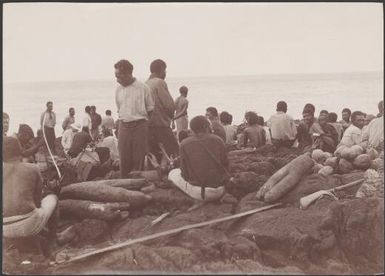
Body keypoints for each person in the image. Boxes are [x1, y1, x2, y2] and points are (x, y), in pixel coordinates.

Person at [3, 136, 59, 244]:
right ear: (19, 150)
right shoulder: (33, 168)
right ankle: (53, 239)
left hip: (4, 229)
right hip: (29, 225)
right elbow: (37, 202)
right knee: (53, 198)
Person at [168, 116, 227, 202]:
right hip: (221, 190)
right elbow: (225, 165)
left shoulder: (184, 143)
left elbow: (185, 174)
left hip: (200, 193)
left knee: (173, 173)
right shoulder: (218, 140)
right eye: (209, 126)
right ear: (205, 127)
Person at [115, 59, 154, 178]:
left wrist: (144, 126)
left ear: (128, 73)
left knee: (139, 158)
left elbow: (150, 109)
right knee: (124, 158)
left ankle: (137, 184)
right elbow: (119, 108)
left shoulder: (143, 87)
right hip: (123, 125)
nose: (117, 79)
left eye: (119, 76)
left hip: (140, 125)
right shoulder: (118, 89)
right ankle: (124, 183)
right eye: (115, 76)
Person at [145, 59, 179, 162]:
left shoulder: (145, 84)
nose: (165, 73)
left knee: (154, 157)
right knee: (175, 155)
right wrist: (172, 115)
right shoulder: (160, 82)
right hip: (161, 126)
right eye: (165, 70)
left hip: (148, 127)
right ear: (161, 70)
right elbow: (169, 105)